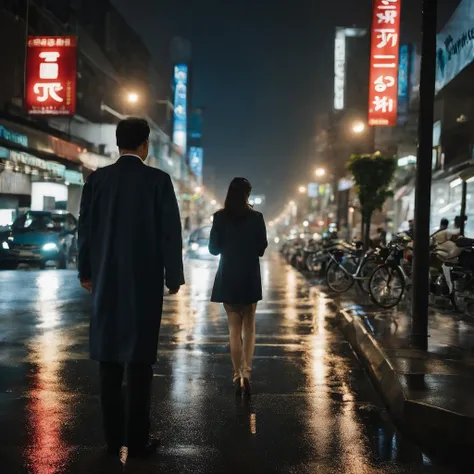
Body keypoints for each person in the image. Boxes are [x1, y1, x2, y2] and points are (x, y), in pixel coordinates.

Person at [78, 118, 184, 457]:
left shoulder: (97, 181)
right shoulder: (158, 181)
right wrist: (173, 276)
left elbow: (86, 232)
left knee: (108, 363)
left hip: (106, 282)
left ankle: (112, 442)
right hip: (144, 283)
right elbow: (170, 232)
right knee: (139, 365)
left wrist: (86, 272)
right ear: (145, 145)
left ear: (117, 143)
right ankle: (137, 442)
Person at [209, 177, 268, 396]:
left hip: (228, 276)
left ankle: (236, 374)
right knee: (249, 327)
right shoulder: (256, 217)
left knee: (234, 329)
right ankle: (247, 372)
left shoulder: (219, 217)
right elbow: (262, 247)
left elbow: (213, 249)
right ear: (247, 195)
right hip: (249, 276)